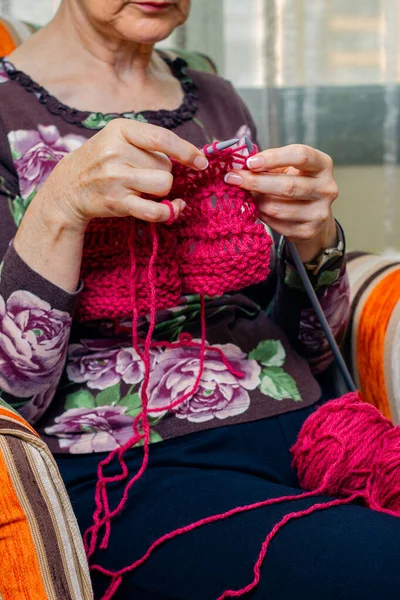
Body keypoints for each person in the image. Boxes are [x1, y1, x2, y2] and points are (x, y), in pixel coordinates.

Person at [0, 1, 399, 599]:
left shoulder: (216, 96)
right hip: (129, 470)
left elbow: (316, 349)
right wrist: (57, 210)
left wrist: (316, 238)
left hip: (309, 431)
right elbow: (13, 397)